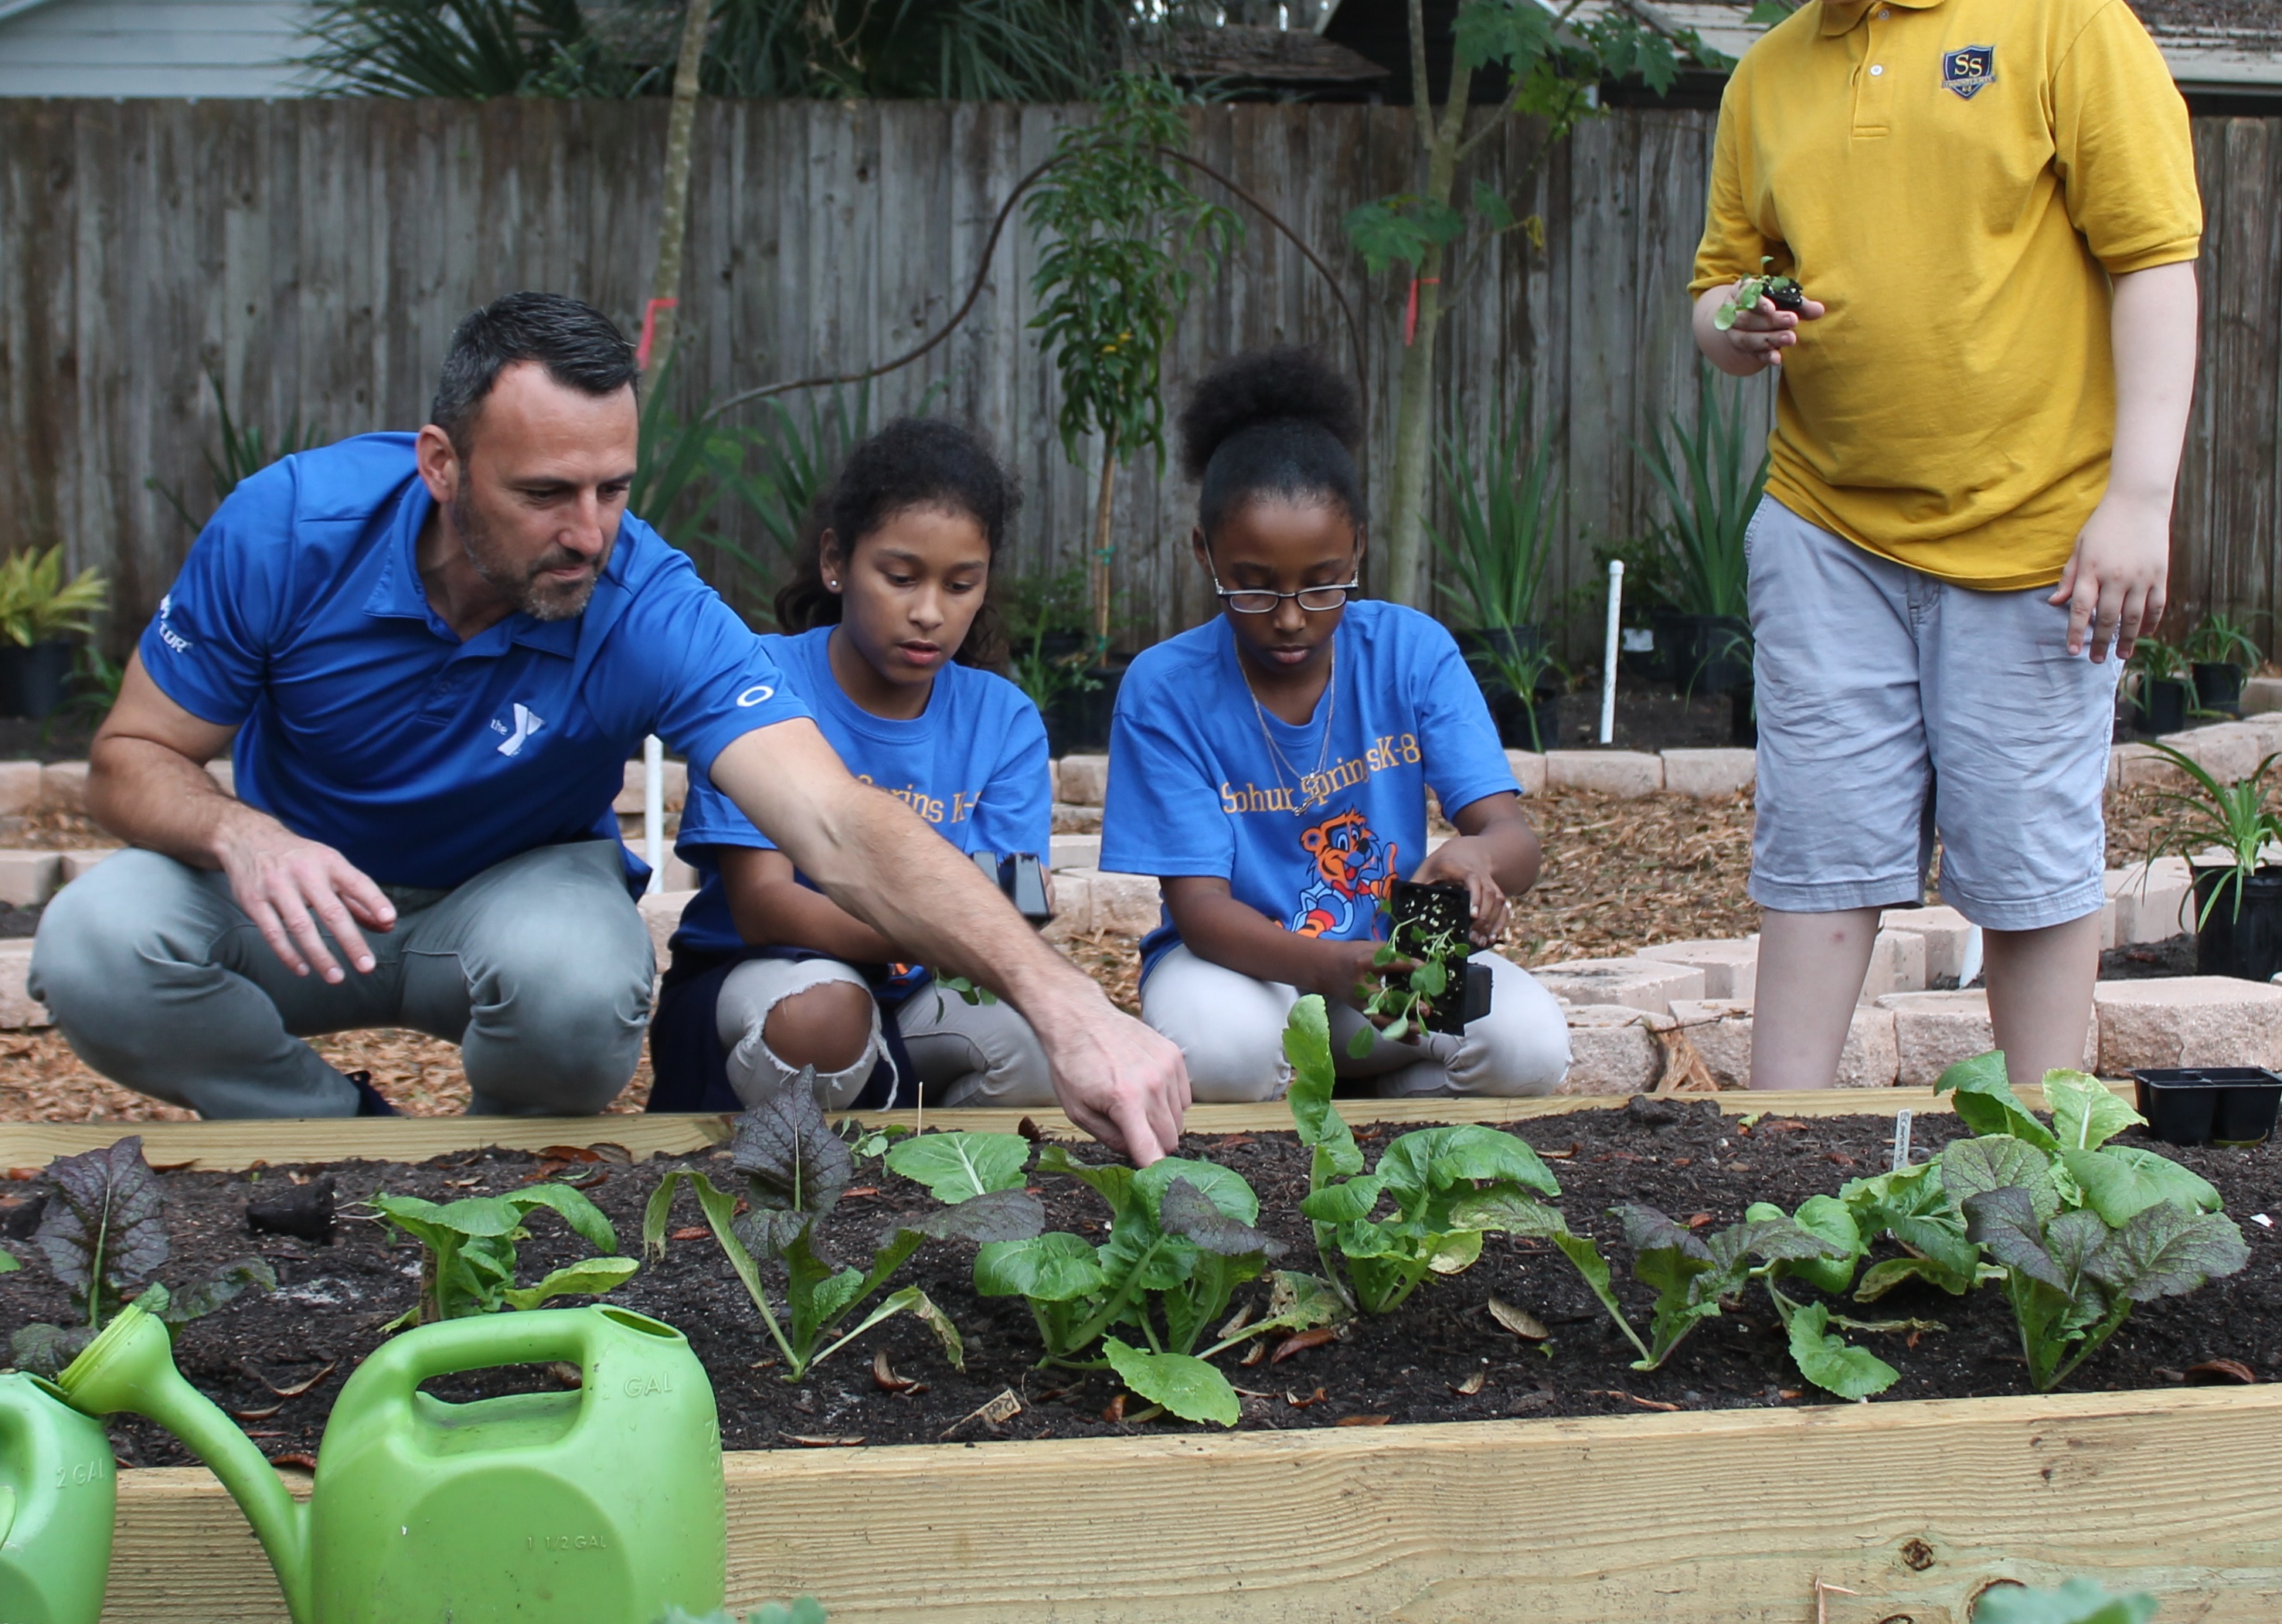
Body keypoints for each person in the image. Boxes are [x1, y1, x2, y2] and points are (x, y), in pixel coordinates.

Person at [30, 293, 1186, 1157]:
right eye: (544, 494)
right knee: (91, 943)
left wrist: (1069, 1002)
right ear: (442, 463)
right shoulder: (289, 526)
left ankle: (484, 1181)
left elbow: (835, 821)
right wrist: (245, 835)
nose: (588, 532)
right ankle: (334, 1130)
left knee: (588, 982)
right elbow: (129, 759)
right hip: (294, 896)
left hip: (506, 900)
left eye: (614, 487)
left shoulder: (645, 603)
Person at [1692, 0, 2202, 1088]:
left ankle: (2044, 1167)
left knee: (2028, 867)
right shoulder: (1767, 79)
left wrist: (2134, 500)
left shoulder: (2053, 13)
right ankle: (1777, 1159)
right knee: (1815, 850)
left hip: (2032, 539)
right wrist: (1736, 322)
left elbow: (2151, 259)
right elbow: (1713, 296)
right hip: (1824, 529)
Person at [1098, 345, 1570, 1102]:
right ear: (1204, 554)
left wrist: (1471, 863)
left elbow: (1512, 836)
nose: (1289, 619)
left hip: (1392, 956)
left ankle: (1385, 1124)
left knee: (1527, 1047)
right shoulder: (1166, 689)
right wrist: (1332, 967)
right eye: (1251, 587)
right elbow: (1200, 911)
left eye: (1323, 585)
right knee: (1226, 1055)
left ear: (1356, 547)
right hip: (1243, 970)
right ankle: (1306, 1118)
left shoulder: (1410, 652)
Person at [649, 416, 1057, 1114]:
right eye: (900, 577)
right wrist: (934, 929)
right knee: (828, 1017)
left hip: (916, 990)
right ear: (836, 560)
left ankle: (939, 1203)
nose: (928, 611)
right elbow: (762, 904)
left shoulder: (1004, 718)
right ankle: (776, 1189)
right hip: (765, 978)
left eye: (960, 585)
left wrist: (968, 935)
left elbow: (1018, 896)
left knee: (1035, 1039)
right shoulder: (762, 682)